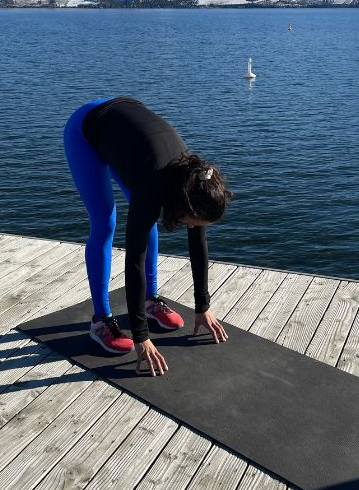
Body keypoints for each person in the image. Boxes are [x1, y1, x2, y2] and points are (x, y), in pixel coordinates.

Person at [63, 96, 234, 376]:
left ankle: (150, 300)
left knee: (149, 225)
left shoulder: (195, 184)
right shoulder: (154, 188)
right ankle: (101, 320)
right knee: (106, 222)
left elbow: (198, 244)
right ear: (185, 206)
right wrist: (141, 336)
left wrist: (203, 306)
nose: (194, 227)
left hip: (127, 133)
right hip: (87, 129)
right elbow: (133, 258)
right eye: (194, 222)